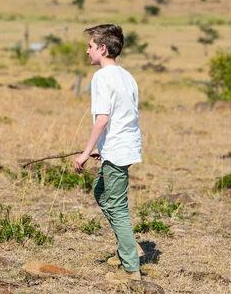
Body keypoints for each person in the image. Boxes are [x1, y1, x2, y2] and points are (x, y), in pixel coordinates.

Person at [74, 24, 143, 284]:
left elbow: (102, 119)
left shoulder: (102, 78)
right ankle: (129, 248)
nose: (87, 50)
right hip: (123, 147)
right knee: (101, 193)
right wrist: (101, 148)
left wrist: (86, 152)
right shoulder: (127, 76)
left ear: (102, 48)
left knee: (116, 205)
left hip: (117, 149)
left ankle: (130, 270)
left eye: (90, 46)